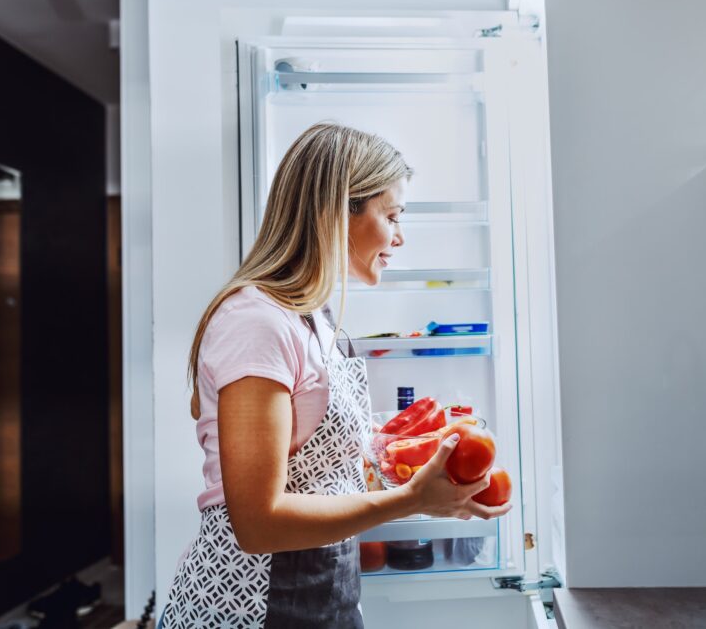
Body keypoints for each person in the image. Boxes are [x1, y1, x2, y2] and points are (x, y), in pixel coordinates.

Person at [159, 123, 511, 628]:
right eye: (391, 216)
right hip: (250, 604)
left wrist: (405, 453)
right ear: (336, 211)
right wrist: (411, 500)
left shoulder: (315, 320)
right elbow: (257, 524)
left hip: (322, 587)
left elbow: (317, 463)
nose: (399, 236)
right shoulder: (256, 322)